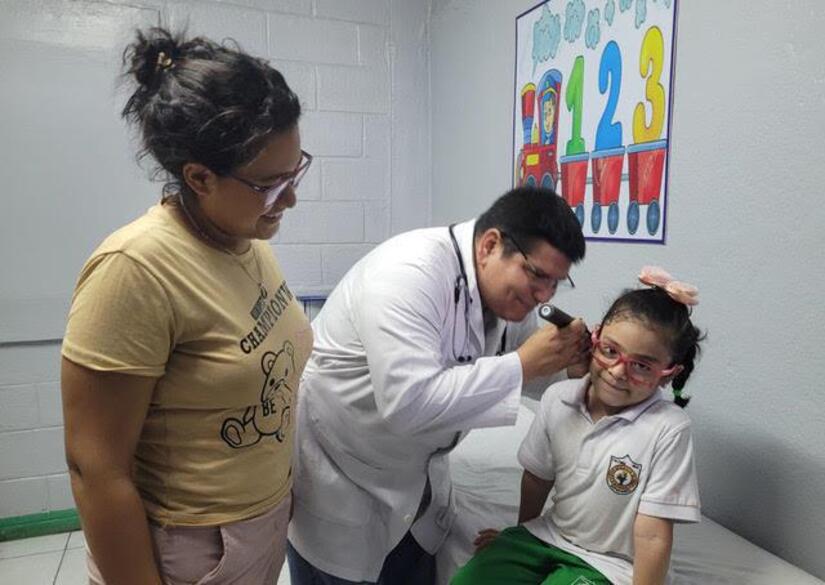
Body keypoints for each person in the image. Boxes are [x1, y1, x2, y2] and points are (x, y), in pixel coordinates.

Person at [60, 27, 313, 584]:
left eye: (296, 171)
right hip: (191, 548)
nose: (292, 198)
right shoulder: (135, 269)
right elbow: (95, 469)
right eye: (272, 184)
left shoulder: (246, 239)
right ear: (199, 177)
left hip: (259, 526)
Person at [287, 186, 590, 584]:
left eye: (556, 284)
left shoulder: (506, 296)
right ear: (490, 245)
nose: (543, 295)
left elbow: (526, 363)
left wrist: (570, 366)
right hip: (345, 471)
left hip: (416, 481)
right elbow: (408, 403)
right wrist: (523, 365)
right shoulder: (406, 274)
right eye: (538, 275)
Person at [451, 266, 705, 585]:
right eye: (610, 351)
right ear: (594, 340)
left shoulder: (668, 428)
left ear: (669, 374)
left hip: (610, 564)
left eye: (641, 365)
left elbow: (653, 534)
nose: (617, 371)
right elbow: (537, 478)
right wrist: (518, 536)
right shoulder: (558, 397)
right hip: (548, 536)